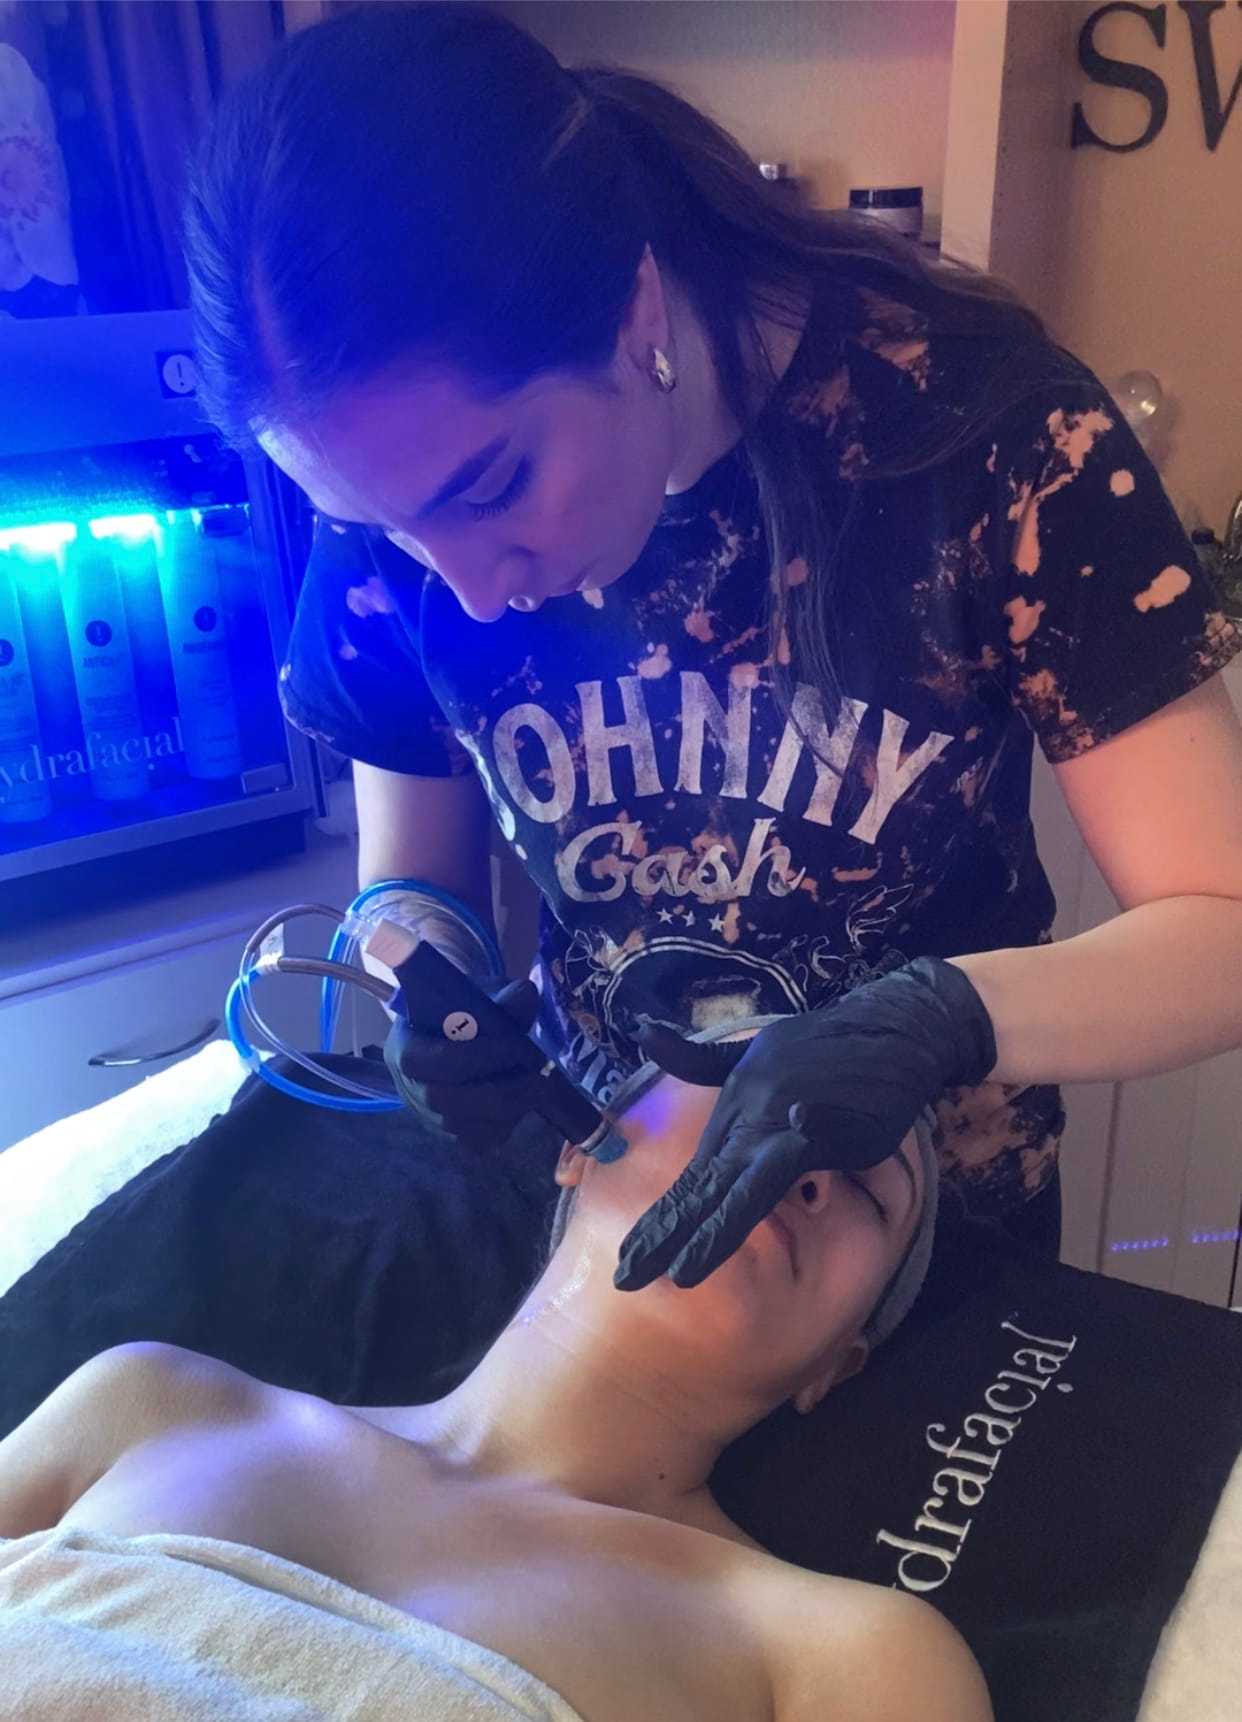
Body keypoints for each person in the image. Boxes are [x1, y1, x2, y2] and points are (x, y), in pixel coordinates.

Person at [182, 2, 1242, 1291]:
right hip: (606, 1212)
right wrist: (429, 975)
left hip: (928, 1249)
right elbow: (411, 882)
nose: (463, 593)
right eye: (378, 529)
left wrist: (945, 1018)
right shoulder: (408, 474)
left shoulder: (987, 438)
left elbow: (1222, 921)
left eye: (495, 486)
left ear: (633, 308)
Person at [0, 1027, 991, 1721]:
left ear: (837, 1363)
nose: (795, 1153)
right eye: (746, 1085)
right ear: (579, 1148)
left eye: (865, 1179)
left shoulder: (842, 1655)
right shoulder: (147, 1401)